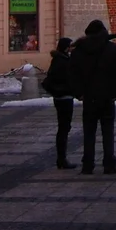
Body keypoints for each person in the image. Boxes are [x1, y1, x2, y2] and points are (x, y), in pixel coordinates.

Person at [70, 19, 116, 175]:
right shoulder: (112, 49)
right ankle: (109, 163)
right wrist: (115, 93)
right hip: (106, 97)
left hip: (89, 97)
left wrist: (80, 93)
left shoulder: (79, 50)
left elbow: (72, 74)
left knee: (89, 132)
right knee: (107, 131)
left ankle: (88, 164)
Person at [41, 37, 77, 170]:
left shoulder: (60, 59)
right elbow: (58, 79)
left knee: (64, 128)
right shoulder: (61, 61)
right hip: (64, 98)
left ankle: (62, 158)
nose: (71, 49)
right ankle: (61, 159)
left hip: (62, 97)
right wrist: (64, 89)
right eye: (69, 46)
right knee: (64, 128)